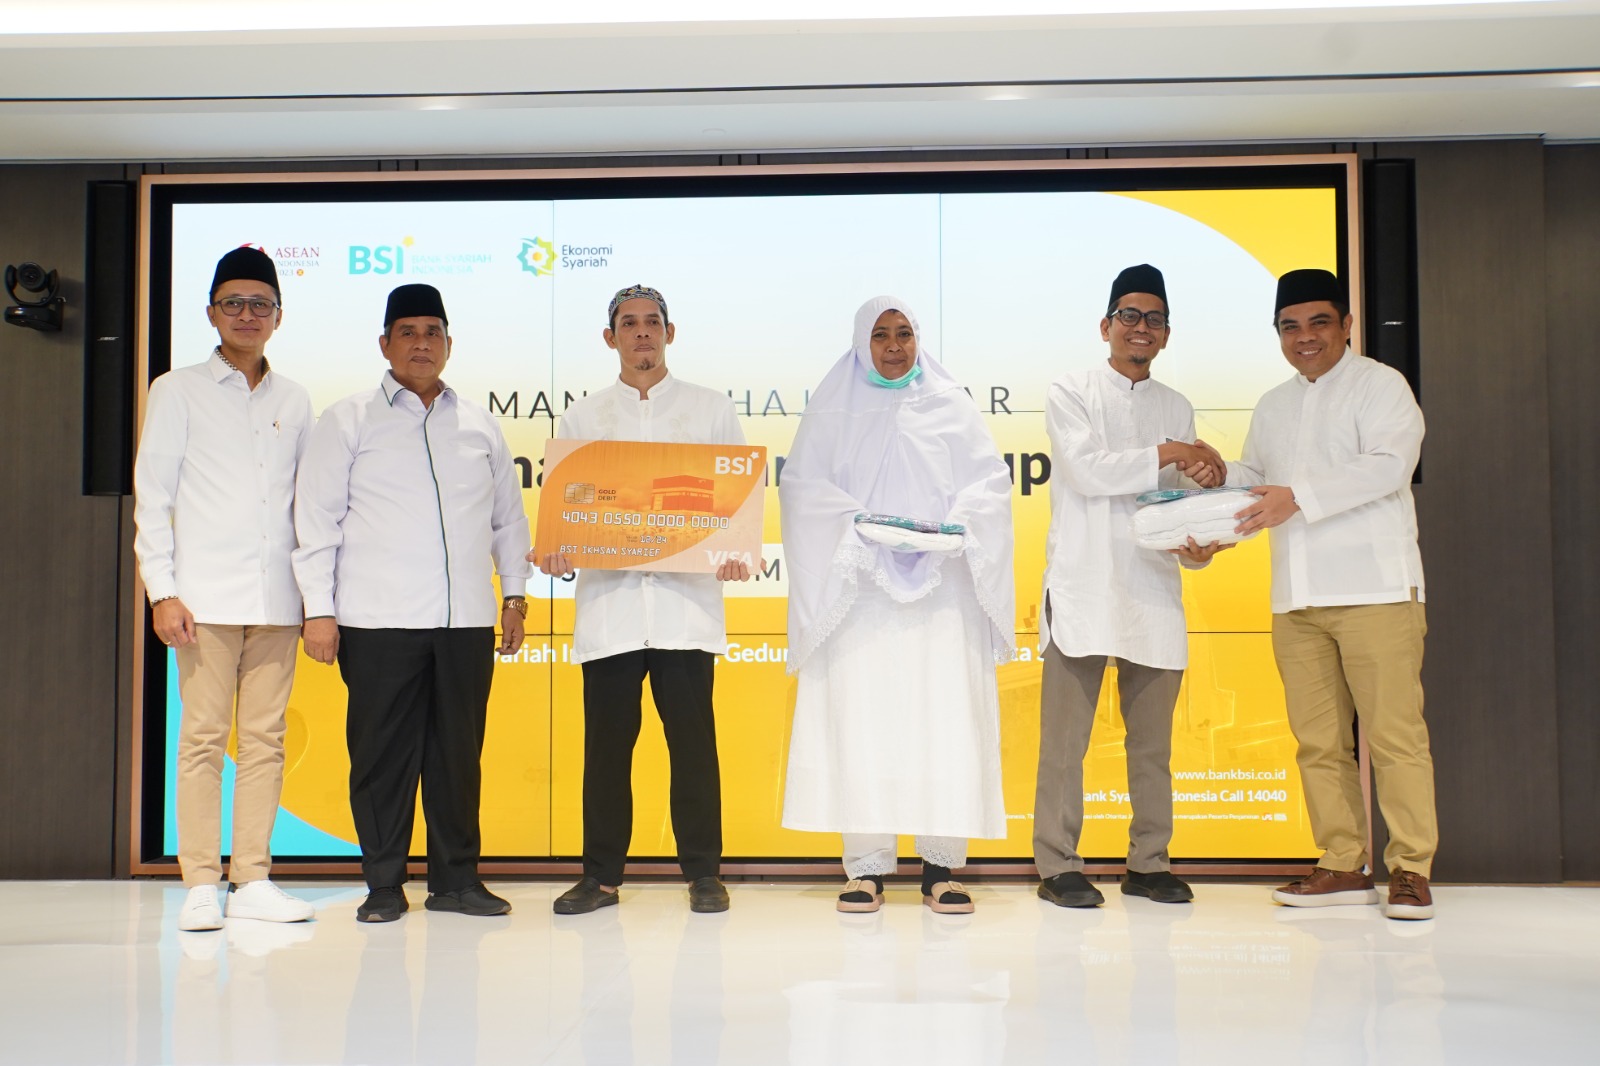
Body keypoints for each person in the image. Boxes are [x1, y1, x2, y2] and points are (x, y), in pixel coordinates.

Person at [293, 283, 530, 923]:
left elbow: (508, 520)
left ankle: (456, 882)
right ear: (385, 343)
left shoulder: (479, 424)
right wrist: (318, 609)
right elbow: (316, 521)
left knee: (458, 758)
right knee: (382, 758)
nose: (421, 343)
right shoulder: (347, 420)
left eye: (433, 332)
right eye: (408, 332)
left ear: (449, 344)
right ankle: (384, 885)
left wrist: (514, 595)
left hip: (465, 622)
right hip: (377, 622)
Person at [780, 295, 1015, 914]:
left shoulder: (951, 404)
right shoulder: (832, 409)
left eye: (904, 333)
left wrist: (956, 528)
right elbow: (802, 489)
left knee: (944, 720)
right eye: (881, 334)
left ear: (918, 340)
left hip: (944, 587)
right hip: (860, 590)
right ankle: (865, 870)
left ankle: (942, 869)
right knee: (864, 723)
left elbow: (990, 485)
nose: (893, 346)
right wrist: (855, 525)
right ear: (862, 342)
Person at [1229, 268, 1436, 920]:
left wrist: (1298, 497)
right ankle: (1342, 863)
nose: (1305, 336)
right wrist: (1210, 483)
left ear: (1346, 324)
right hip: (1297, 597)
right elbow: (1254, 478)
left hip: (1376, 590)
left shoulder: (1381, 386)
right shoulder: (1272, 404)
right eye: (1289, 326)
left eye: (1319, 321)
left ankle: (1411, 870)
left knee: (1395, 737)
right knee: (1318, 743)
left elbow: (1389, 466)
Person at [537, 284, 749, 916]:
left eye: (652, 322)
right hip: (613, 612)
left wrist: (735, 549)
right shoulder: (582, 420)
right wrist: (558, 548)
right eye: (628, 324)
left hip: (686, 611)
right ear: (611, 338)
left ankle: (704, 875)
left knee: (694, 750)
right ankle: (600, 878)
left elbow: (735, 503)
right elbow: (565, 514)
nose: (641, 333)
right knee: (606, 753)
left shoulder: (711, 411)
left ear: (669, 333)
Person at [1032, 264, 1229, 910]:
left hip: (1151, 587)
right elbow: (1088, 472)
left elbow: (1172, 503)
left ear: (1166, 334)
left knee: (1152, 747)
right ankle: (1058, 865)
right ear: (1106, 326)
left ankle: (1149, 864)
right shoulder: (1071, 390)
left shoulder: (1176, 406)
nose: (1141, 328)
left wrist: (1199, 543)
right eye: (1129, 316)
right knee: (1065, 747)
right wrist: (1173, 452)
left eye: (1154, 319)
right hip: (1084, 584)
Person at [133, 246, 317, 931]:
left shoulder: (295, 399)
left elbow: (307, 503)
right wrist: (162, 591)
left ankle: (254, 878)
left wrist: (314, 596)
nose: (246, 315)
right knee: (204, 741)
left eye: (259, 304)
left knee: (265, 740)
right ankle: (201, 884)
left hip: (278, 599)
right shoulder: (176, 389)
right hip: (202, 600)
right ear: (211, 313)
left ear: (278, 316)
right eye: (233, 303)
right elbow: (153, 497)